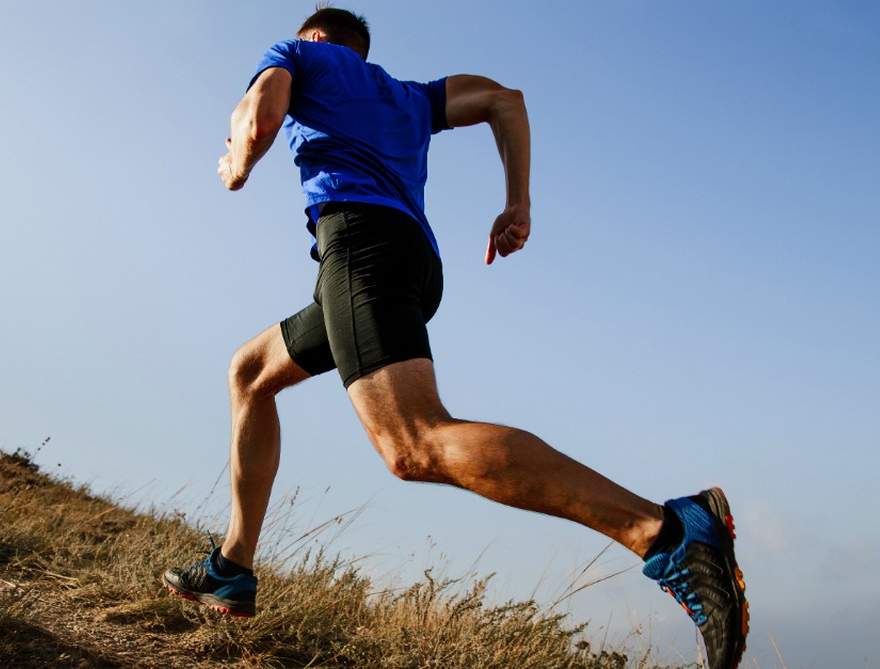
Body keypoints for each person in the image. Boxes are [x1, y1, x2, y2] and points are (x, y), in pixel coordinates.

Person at [162, 6, 748, 668]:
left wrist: (238, 159)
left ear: (319, 38)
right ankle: (233, 565)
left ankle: (666, 531)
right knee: (251, 371)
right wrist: (518, 200)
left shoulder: (300, 54)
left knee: (411, 442)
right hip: (409, 262)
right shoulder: (410, 97)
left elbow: (260, 115)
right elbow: (506, 99)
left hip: (361, 251)